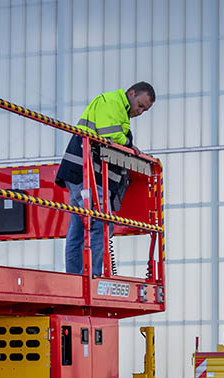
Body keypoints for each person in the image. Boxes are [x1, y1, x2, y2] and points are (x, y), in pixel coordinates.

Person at [55, 82, 156, 275]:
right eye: (140, 105)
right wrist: (129, 145)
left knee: (79, 227)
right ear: (132, 93)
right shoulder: (111, 102)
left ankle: (77, 275)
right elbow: (109, 134)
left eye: (145, 109)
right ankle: (91, 276)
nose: (140, 111)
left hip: (86, 173)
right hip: (84, 172)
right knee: (101, 223)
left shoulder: (120, 111)